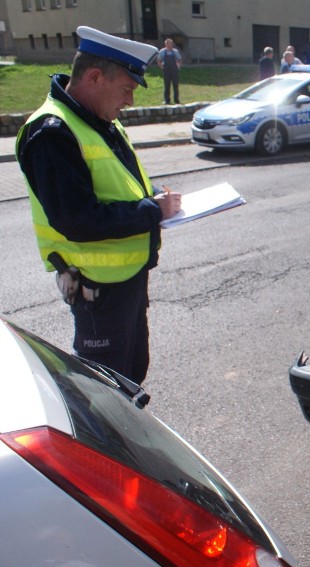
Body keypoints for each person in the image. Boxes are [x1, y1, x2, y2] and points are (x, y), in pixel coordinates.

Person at [15, 26, 182, 384]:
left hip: (126, 282)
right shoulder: (51, 132)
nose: (130, 102)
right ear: (94, 77)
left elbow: (122, 183)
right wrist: (154, 211)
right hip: (98, 291)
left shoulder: (100, 118)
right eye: (126, 90)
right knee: (104, 390)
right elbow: (77, 220)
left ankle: (126, 438)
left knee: (131, 376)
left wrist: (154, 194)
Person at [157, 37, 182, 104]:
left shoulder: (175, 51)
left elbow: (179, 59)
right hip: (166, 70)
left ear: (172, 44)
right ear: (165, 44)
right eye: (167, 44)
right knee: (167, 85)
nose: (169, 45)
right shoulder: (162, 51)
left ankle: (176, 100)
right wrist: (162, 67)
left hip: (174, 70)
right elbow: (159, 60)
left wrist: (178, 66)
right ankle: (167, 100)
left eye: (170, 44)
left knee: (175, 85)